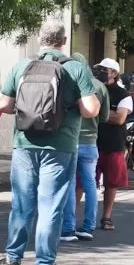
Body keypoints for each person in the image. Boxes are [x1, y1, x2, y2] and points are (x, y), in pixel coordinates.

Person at [0, 23, 100, 265]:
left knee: (22, 205)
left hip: (24, 142)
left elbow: (2, 105)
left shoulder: (22, 65)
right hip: (60, 146)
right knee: (51, 207)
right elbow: (91, 109)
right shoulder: (75, 67)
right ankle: (44, 261)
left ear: (39, 39)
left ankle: (13, 257)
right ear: (63, 41)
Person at [60, 53, 109, 242]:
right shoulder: (99, 86)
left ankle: (68, 228)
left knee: (70, 184)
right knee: (90, 185)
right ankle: (88, 227)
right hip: (90, 143)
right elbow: (104, 117)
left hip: (70, 140)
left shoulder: (68, 83)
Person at [92, 58, 131, 231]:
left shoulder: (123, 95)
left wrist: (97, 113)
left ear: (114, 73)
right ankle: (82, 219)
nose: (100, 72)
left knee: (111, 183)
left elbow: (120, 118)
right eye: (99, 69)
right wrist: (108, 114)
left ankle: (106, 217)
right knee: (84, 181)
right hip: (92, 142)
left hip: (114, 144)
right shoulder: (92, 89)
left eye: (104, 69)